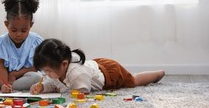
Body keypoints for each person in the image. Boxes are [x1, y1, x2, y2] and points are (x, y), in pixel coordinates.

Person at [30, 38, 165, 95]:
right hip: (95, 67)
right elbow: (54, 84)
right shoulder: (57, 70)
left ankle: (158, 73)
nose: (47, 75)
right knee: (133, 79)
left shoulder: (77, 74)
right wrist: (42, 87)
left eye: (48, 71)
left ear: (64, 64)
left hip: (109, 73)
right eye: (44, 71)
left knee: (133, 80)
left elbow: (82, 92)